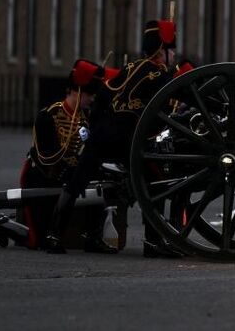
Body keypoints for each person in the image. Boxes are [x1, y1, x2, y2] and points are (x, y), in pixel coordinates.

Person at [45, 19, 176, 256]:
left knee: (77, 182)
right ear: (161, 51)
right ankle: (153, 242)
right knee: (156, 181)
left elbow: (104, 95)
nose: (174, 55)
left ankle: (55, 235)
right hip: (128, 139)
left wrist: (96, 130)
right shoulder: (160, 74)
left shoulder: (128, 69)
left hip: (102, 136)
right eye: (171, 50)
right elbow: (169, 106)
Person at [0, 59, 113, 252]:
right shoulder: (48, 116)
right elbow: (46, 158)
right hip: (42, 178)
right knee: (36, 241)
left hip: (70, 180)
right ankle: (3, 222)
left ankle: (94, 236)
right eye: (90, 94)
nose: (92, 99)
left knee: (96, 183)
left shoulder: (89, 117)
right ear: (77, 91)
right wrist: (70, 150)